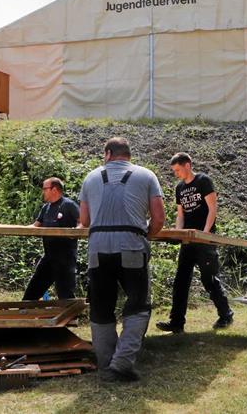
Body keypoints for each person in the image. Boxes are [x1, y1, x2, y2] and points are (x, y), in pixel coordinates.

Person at [79, 137, 165, 383]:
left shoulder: (90, 178)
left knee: (101, 306)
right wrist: (141, 234)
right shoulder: (147, 176)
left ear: (107, 153)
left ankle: (106, 364)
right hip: (131, 248)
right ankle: (122, 363)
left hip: (98, 250)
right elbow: (158, 219)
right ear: (128, 154)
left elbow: (84, 221)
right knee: (137, 304)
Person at [156, 152, 233, 333]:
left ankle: (226, 314)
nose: (176, 174)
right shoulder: (179, 188)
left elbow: (213, 208)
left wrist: (206, 234)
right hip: (188, 240)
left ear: (188, 165)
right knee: (180, 280)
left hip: (204, 239)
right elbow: (181, 214)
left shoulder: (203, 181)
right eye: (174, 171)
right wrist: (178, 234)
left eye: (178, 170)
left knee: (209, 280)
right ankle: (176, 323)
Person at [22, 177, 80, 300]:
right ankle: (24, 313)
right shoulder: (46, 208)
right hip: (49, 256)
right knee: (32, 291)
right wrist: (18, 229)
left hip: (65, 258)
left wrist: (76, 230)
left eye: (45, 189)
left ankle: (71, 317)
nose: (43, 192)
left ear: (54, 189)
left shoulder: (69, 205)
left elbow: (82, 222)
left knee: (65, 295)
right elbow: (35, 226)